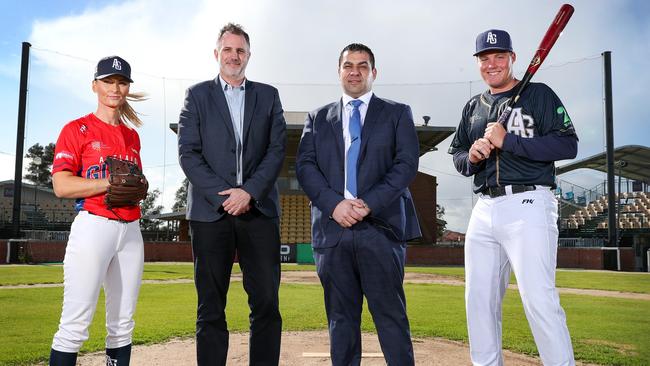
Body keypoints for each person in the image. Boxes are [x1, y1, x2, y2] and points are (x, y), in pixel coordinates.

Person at [448, 29, 577, 366]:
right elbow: (459, 158)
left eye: (499, 56)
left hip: (529, 204)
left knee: (538, 299)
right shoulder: (473, 107)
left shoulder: (540, 95)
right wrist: (473, 156)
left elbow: (567, 144)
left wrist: (511, 142)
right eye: (485, 58)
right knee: (479, 300)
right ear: (478, 63)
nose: (492, 64)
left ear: (513, 58)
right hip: (484, 206)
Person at [296, 43, 421, 366]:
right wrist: (335, 205)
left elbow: (406, 165)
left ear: (373, 73)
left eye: (362, 66)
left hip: (380, 229)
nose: (355, 71)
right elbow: (306, 168)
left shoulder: (397, 113)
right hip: (333, 231)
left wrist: (368, 204)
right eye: (348, 65)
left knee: (390, 318)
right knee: (341, 321)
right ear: (339, 72)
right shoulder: (318, 118)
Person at [177, 23, 286, 365]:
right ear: (216, 54)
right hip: (211, 213)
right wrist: (226, 196)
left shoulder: (268, 95)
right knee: (210, 304)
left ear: (248, 55)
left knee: (266, 302)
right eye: (228, 49)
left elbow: (276, 149)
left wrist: (249, 192)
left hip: (259, 212)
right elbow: (188, 153)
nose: (234, 56)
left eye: (240, 50)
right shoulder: (197, 95)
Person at [49, 55, 147, 366]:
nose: (115, 88)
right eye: (108, 81)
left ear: (127, 88)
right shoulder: (76, 129)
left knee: (122, 325)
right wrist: (108, 182)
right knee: (75, 325)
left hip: (130, 230)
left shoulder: (133, 137)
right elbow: (62, 185)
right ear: (95, 86)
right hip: (93, 226)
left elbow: (132, 187)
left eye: (121, 82)